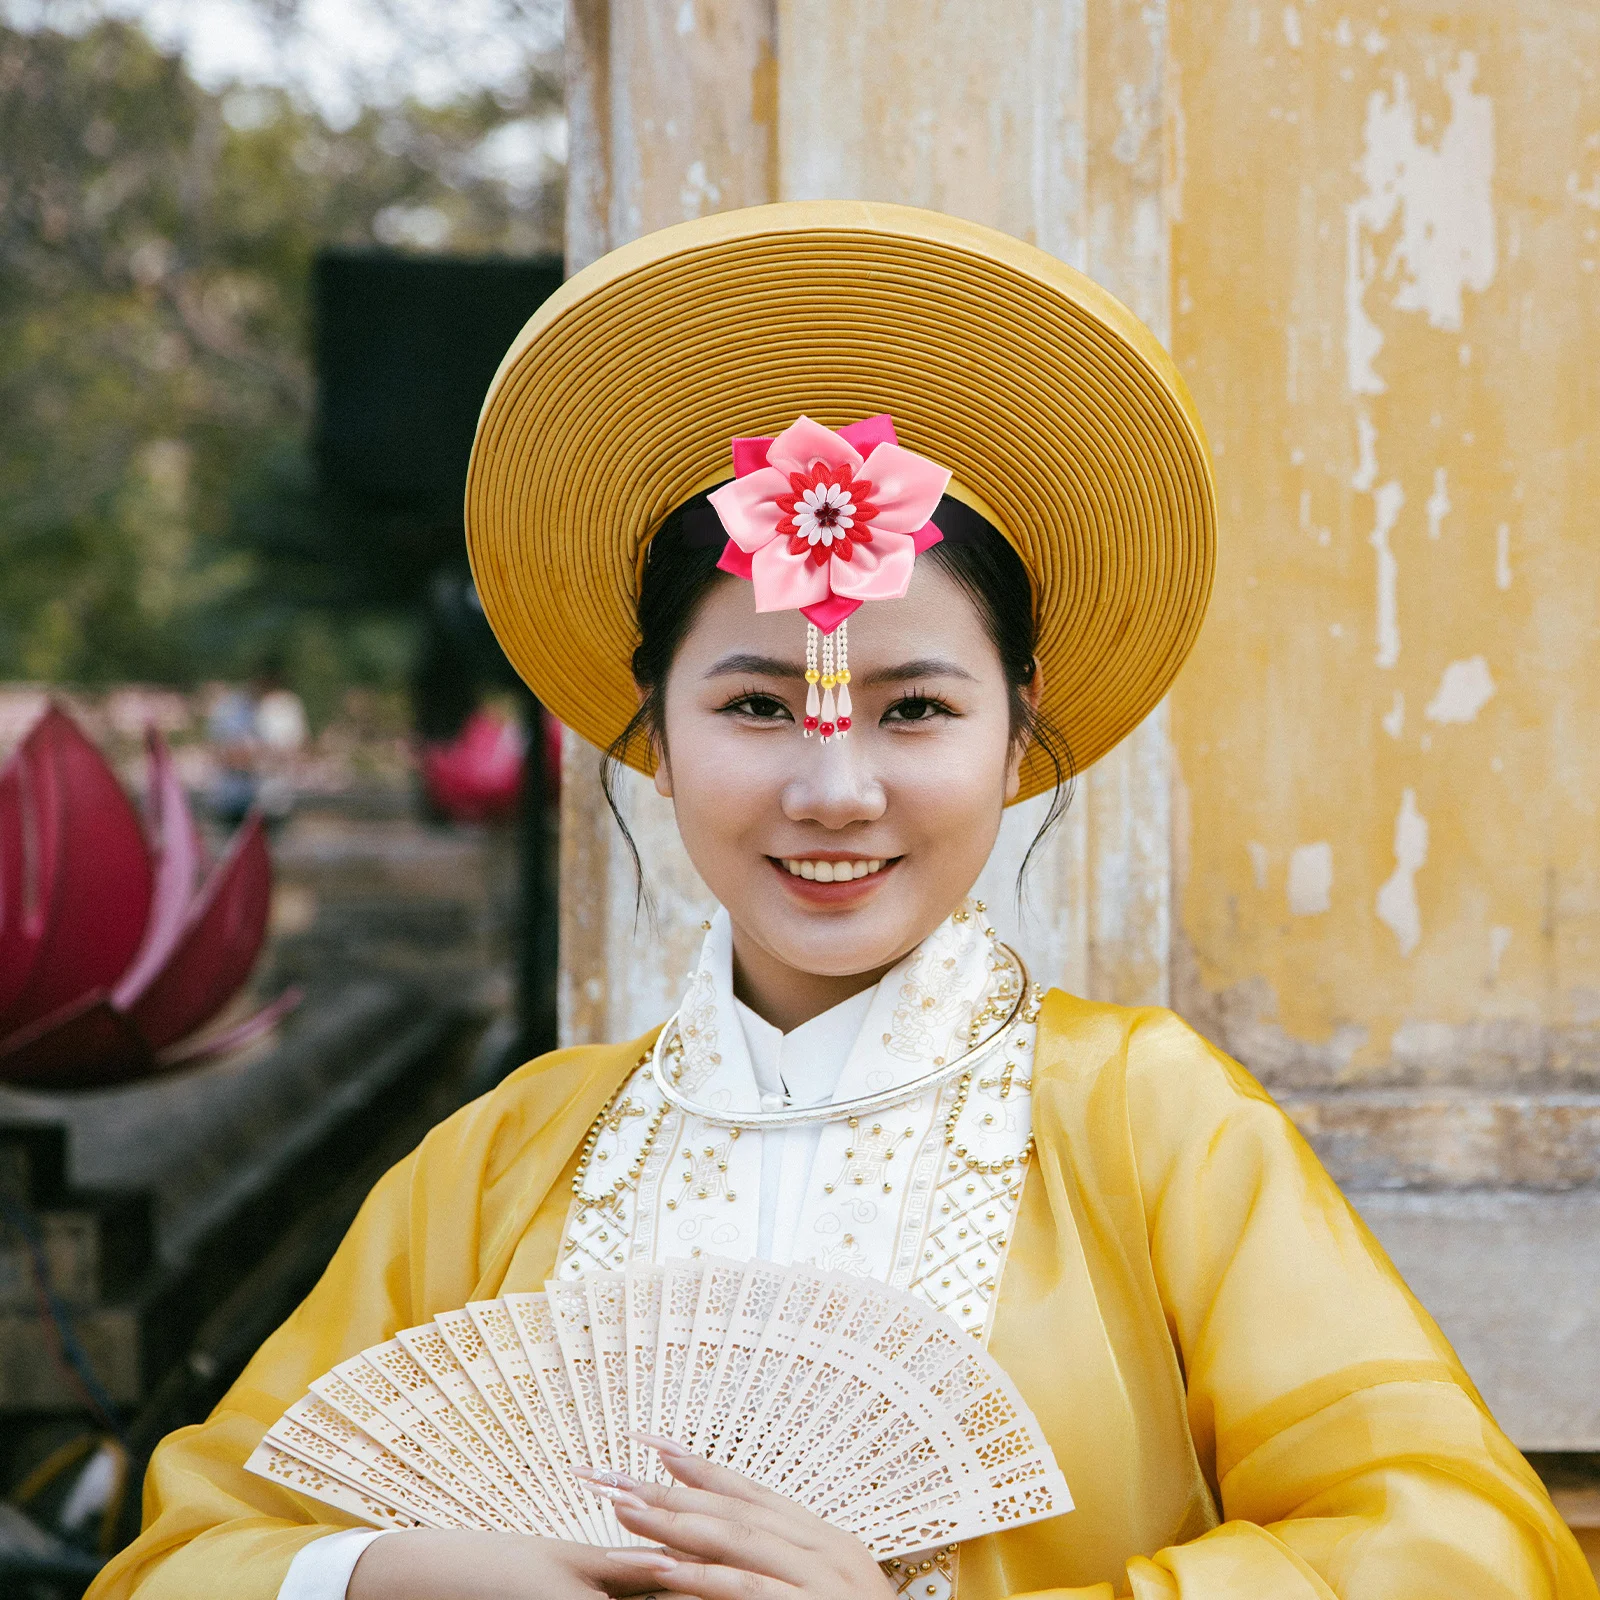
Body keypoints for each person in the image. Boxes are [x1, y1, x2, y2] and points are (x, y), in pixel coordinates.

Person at [88, 204, 1596, 1600]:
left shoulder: (1151, 1127)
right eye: (755, 705)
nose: (832, 790)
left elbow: (1463, 1545)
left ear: (1019, 733)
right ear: (650, 736)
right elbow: (178, 1560)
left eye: (915, 710)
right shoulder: (502, 1163)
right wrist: (415, 1573)